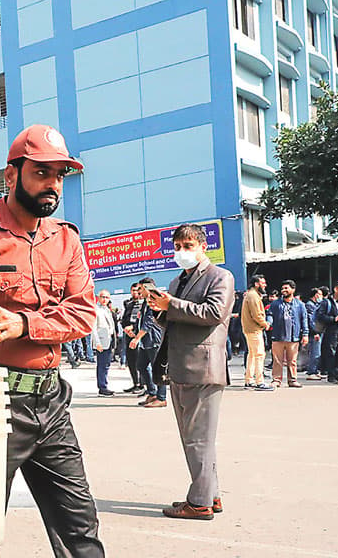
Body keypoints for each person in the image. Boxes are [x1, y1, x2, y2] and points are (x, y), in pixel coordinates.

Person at [0, 124, 104, 557]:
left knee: (81, 529)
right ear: (11, 175)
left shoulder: (66, 239)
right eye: (42, 172)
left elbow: (84, 312)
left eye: (60, 175)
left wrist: (24, 324)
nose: (52, 184)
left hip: (50, 404)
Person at [146, 223, 234, 520]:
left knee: (199, 439)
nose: (181, 252)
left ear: (202, 246)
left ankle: (199, 503)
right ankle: (212, 495)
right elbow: (173, 319)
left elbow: (213, 314)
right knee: (196, 439)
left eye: (188, 246)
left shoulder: (220, 277)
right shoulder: (175, 282)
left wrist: (171, 304)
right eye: (178, 246)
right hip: (179, 367)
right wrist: (159, 310)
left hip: (203, 368)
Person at [268, 280, 307, 388]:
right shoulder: (275, 304)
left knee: (292, 361)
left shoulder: (300, 305)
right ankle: (276, 380)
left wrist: (305, 334)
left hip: (293, 337)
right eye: (283, 288)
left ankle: (292, 380)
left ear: (293, 290)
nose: (284, 290)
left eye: (286, 288)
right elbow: (270, 314)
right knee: (277, 360)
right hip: (278, 336)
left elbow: (304, 320)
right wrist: (268, 322)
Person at [134, 277, 166, 407]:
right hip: (146, 341)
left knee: (157, 369)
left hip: (154, 340)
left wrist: (137, 338)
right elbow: (141, 321)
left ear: (147, 287)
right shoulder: (145, 302)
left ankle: (161, 397)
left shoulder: (154, 300)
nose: (139, 291)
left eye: (140, 288)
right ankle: (152, 393)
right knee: (141, 366)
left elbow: (149, 322)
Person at [241, 275, 273, 390]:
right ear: (256, 284)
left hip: (249, 329)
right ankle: (260, 382)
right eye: (263, 283)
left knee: (252, 355)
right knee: (259, 355)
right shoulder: (253, 296)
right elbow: (257, 314)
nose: (265, 285)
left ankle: (249, 380)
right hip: (254, 329)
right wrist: (265, 324)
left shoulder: (250, 295)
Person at [120, 283, 144, 393]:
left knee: (141, 362)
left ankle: (142, 385)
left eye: (137, 290)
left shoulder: (144, 304)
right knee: (131, 361)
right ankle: (136, 383)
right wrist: (125, 328)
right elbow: (124, 319)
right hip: (129, 336)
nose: (135, 292)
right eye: (133, 290)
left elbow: (143, 321)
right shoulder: (128, 304)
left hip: (139, 336)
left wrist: (134, 329)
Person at [92, 290, 116, 396]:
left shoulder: (107, 309)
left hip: (109, 340)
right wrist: (97, 342)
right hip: (101, 341)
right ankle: (102, 387)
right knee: (102, 365)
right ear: (98, 297)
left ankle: (104, 384)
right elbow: (93, 328)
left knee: (106, 364)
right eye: (103, 297)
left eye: (107, 297)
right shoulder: (96, 310)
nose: (105, 299)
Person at [304, 287, 325, 380]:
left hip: (318, 331)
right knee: (315, 352)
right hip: (314, 332)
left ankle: (315, 370)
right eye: (320, 294)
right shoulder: (310, 305)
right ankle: (312, 371)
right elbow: (311, 321)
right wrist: (315, 332)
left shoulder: (315, 304)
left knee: (317, 352)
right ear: (316, 295)